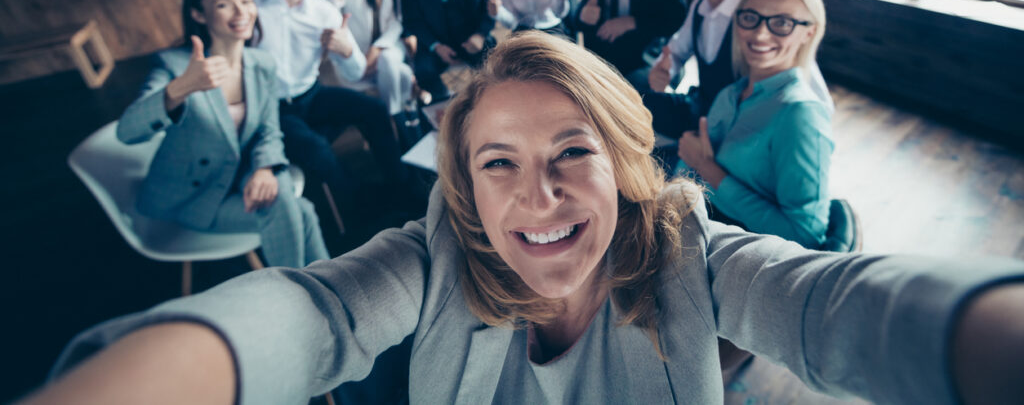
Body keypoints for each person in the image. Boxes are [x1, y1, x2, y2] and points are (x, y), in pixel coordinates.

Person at [32, 32, 1024, 405]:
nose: (535, 195)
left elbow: (825, 302)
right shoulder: (437, 253)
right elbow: (313, 313)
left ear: (627, 165)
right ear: (462, 185)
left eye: (570, 153)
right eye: (496, 162)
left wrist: (986, 335)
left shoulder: (683, 245)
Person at [116, 0, 328, 268]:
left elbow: (269, 131)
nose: (241, 12)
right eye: (223, 5)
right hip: (190, 196)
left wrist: (265, 167)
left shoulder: (262, 63)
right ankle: (309, 293)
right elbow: (127, 133)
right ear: (198, 14)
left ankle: (318, 290)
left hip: (240, 180)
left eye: (245, 1)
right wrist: (181, 87)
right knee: (292, 205)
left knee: (286, 194)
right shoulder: (174, 66)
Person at [253, 0, 413, 235]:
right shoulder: (252, 7)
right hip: (272, 108)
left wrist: (348, 48)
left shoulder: (323, 11)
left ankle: (400, 189)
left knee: (374, 110)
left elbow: (354, 73)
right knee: (317, 150)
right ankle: (356, 216)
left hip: (310, 94)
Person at [677, 0, 832, 248]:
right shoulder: (730, 94)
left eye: (782, 23)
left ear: (809, 31)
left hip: (740, 257)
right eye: (750, 18)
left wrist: (706, 167)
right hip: (693, 226)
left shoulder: (800, 114)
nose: (760, 33)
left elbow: (805, 235)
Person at [645, 0, 832, 139]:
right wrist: (665, 70)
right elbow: (676, 51)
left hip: (741, 128)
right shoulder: (700, 4)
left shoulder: (761, 13)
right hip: (703, 110)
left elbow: (818, 101)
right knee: (630, 107)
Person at [326, 0, 415, 116]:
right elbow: (329, 10)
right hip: (358, 50)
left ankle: (393, 114)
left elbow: (397, 22)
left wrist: (377, 48)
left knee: (388, 58)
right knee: (403, 74)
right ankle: (405, 111)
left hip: (387, 45)